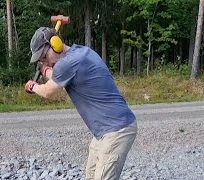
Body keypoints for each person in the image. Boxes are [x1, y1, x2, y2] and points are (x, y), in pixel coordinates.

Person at [25, 27, 137, 180]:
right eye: (42, 61)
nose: (46, 62)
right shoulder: (81, 52)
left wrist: (33, 86)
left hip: (116, 130)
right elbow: (59, 76)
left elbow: (48, 91)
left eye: (44, 57)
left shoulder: (69, 63)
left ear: (56, 44)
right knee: (91, 175)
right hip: (104, 131)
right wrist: (46, 70)